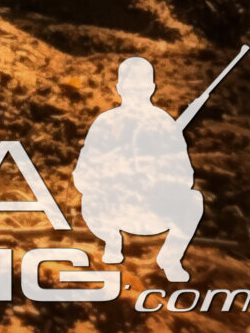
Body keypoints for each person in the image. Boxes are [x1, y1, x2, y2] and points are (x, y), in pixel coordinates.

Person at [76, 56, 208, 282]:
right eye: (130, 86)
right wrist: (115, 175)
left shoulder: (164, 124)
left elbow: (185, 178)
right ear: (120, 88)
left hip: (152, 209)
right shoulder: (105, 122)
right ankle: (112, 241)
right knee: (90, 199)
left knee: (193, 200)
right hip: (112, 208)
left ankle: (170, 258)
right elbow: (82, 177)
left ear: (151, 88)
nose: (136, 92)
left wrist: (156, 176)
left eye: (141, 86)